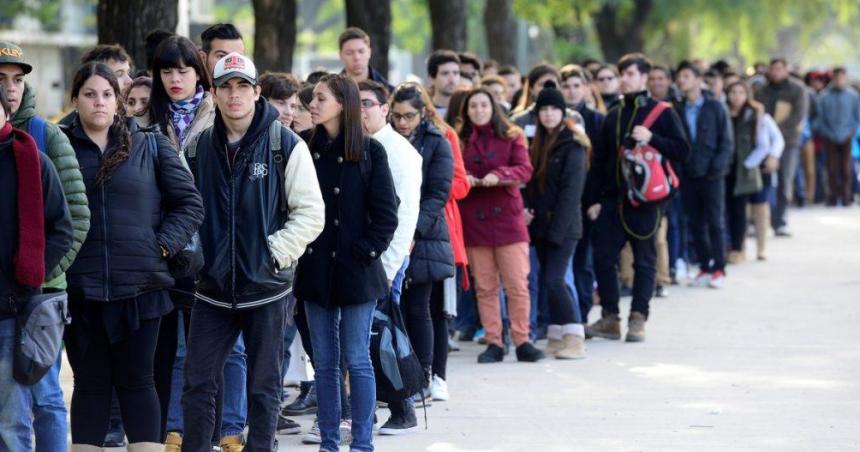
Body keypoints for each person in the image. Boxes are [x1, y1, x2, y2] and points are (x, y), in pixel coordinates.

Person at [181, 52, 324, 452]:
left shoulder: (285, 145)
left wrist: (272, 254)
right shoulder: (195, 150)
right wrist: (194, 253)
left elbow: (311, 214)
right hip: (211, 288)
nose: (234, 94)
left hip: (266, 288)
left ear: (257, 92)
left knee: (263, 388)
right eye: (225, 86)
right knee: (197, 385)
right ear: (213, 92)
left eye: (242, 86)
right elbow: (183, 208)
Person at [62, 62, 203, 451]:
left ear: (119, 100)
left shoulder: (149, 143)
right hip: (81, 289)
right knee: (90, 385)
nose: (99, 102)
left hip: (141, 288)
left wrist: (159, 246)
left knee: (139, 381)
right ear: (75, 99)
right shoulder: (58, 147)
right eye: (89, 94)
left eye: (107, 94)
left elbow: (189, 203)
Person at [295, 73, 399, 452]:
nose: (313, 104)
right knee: (323, 363)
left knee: (357, 359)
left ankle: (362, 443)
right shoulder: (303, 147)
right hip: (315, 268)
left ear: (343, 103)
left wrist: (364, 252)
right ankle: (328, 443)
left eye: (321, 98)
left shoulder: (371, 152)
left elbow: (387, 215)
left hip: (357, 271)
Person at [0, 41, 90, 452]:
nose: (11, 88)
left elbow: (72, 219)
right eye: (1, 79)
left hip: (40, 295)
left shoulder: (42, 137)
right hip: (11, 296)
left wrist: (38, 272)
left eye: (17, 80)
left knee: (47, 398)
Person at [147, 35, 222, 449]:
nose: (175, 79)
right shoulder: (142, 120)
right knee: (158, 351)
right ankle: (160, 435)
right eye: (167, 70)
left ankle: (207, 435)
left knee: (205, 353)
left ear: (198, 72)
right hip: (157, 248)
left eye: (184, 70)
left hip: (209, 249)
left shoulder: (218, 117)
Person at [585, 53, 689, 343]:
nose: (625, 79)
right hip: (612, 201)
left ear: (644, 77)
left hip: (647, 203)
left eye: (630, 74)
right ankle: (609, 318)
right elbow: (600, 161)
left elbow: (682, 150)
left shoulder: (662, 112)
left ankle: (638, 318)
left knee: (644, 261)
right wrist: (593, 199)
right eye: (622, 74)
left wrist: (652, 138)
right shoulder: (613, 115)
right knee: (604, 258)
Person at [390, 83, 469, 403]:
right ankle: (405, 375)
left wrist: (413, 231)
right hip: (394, 232)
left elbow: (440, 192)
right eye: (397, 116)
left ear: (423, 113)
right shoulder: (387, 139)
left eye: (409, 115)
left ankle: (427, 375)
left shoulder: (438, 141)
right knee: (400, 308)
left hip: (426, 233)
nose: (403, 122)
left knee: (422, 307)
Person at [357, 80, 425, 434]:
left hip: (384, 263)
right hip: (359, 260)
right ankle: (367, 411)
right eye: (355, 102)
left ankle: (403, 407)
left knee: (382, 336)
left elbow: (405, 218)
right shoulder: (355, 145)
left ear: (385, 109)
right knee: (364, 338)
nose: (361, 109)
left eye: (368, 103)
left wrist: (388, 267)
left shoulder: (398, 152)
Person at [458, 87, 543, 363]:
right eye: (473, 106)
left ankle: (522, 340)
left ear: (493, 107)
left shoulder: (512, 135)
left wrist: (500, 174)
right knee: (485, 287)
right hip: (475, 222)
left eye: (484, 105)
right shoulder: (460, 140)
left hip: (508, 220)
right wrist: (467, 178)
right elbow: (453, 171)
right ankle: (494, 340)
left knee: (518, 283)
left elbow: (524, 169)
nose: (479, 110)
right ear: (467, 111)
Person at [523, 84, 590, 359]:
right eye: (544, 110)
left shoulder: (573, 143)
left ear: (563, 112)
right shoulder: (538, 142)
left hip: (564, 228)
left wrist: (555, 233)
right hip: (542, 226)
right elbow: (532, 184)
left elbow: (570, 195)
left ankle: (575, 338)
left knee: (555, 280)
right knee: (548, 280)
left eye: (554, 109)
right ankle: (555, 336)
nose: (549, 115)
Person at [674, 60, 733, 288]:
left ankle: (719, 267)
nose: (682, 81)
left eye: (687, 76)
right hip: (688, 174)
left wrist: (716, 169)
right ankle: (704, 267)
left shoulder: (715, 107)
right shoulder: (676, 108)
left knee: (715, 221)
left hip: (712, 175)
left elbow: (726, 143)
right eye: (680, 77)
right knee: (695, 222)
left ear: (699, 79)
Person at [726, 81, 784, 262]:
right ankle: (738, 246)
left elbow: (774, 141)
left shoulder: (759, 114)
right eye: (732, 92)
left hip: (759, 168)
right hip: (736, 169)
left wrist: (771, 157)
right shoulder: (725, 113)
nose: (736, 96)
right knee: (738, 210)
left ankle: (761, 248)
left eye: (740, 92)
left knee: (760, 208)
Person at [754, 58, 809, 236]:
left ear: (785, 70)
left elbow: (798, 115)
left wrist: (776, 132)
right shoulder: (761, 90)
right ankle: (761, 220)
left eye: (779, 69)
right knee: (762, 181)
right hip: (764, 143)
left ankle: (780, 221)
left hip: (789, 141)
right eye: (773, 69)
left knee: (785, 180)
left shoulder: (797, 89)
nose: (776, 72)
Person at [813, 67, 860, 206]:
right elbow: (819, 118)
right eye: (837, 78)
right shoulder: (824, 96)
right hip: (829, 136)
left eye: (842, 78)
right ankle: (833, 196)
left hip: (847, 135)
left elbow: (857, 117)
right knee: (831, 168)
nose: (839, 81)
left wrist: (851, 131)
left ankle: (846, 196)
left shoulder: (853, 96)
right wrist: (827, 132)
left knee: (846, 168)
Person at [339, 27, 393, 91]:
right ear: (341, 55)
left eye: (361, 51)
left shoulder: (389, 93)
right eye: (349, 53)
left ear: (369, 52)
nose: (356, 57)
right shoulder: (333, 92)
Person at [427, 49, 461, 118]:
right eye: (445, 73)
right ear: (431, 78)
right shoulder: (424, 113)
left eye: (455, 73)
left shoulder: (466, 111)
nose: (452, 79)